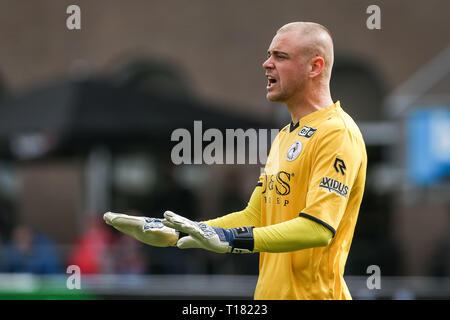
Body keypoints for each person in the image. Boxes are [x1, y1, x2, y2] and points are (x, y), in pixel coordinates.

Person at [104, 21, 367, 300]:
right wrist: (177, 232)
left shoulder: (337, 132)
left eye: (280, 56)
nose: (267, 64)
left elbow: (317, 229)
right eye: (269, 55)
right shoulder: (286, 136)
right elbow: (254, 216)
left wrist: (231, 241)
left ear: (315, 67)